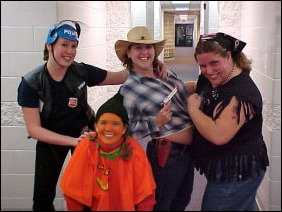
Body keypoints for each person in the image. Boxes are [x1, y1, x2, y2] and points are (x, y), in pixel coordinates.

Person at [17, 20, 166, 211]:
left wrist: (153, 64)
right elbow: (34, 129)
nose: (69, 51)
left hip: (85, 133)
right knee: (42, 199)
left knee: (91, 192)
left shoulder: (80, 71)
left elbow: (120, 76)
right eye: (64, 45)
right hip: (52, 139)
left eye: (74, 46)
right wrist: (73, 141)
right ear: (49, 45)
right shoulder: (31, 83)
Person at [187, 32, 269, 211]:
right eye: (202, 66)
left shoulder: (241, 93)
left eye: (214, 63)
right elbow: (199, 87)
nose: (208, 71)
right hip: (226, 166)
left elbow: (219, 135)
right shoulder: (215, 79)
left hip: (236, 171)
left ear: (229, 56)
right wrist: (171, 83)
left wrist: (192, 109)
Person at [115, 26, 194, 211]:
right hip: (167, 155)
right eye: (137, 47)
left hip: (188, 152)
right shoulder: (129, 89)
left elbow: (181, 92)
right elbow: (128, 131)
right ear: (129, 52)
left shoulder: (166, 72)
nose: (144, 52)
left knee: (181, 201)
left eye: (148, 47)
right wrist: (155, 122)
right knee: (160, 205)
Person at [60, 93, 156, 211]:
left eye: (115, 123)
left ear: (124, 129)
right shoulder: (87, 146)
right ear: (96, 126)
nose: (108, 128)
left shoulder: (134, 150)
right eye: (103, 123)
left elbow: (145, 196)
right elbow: (73, 193)